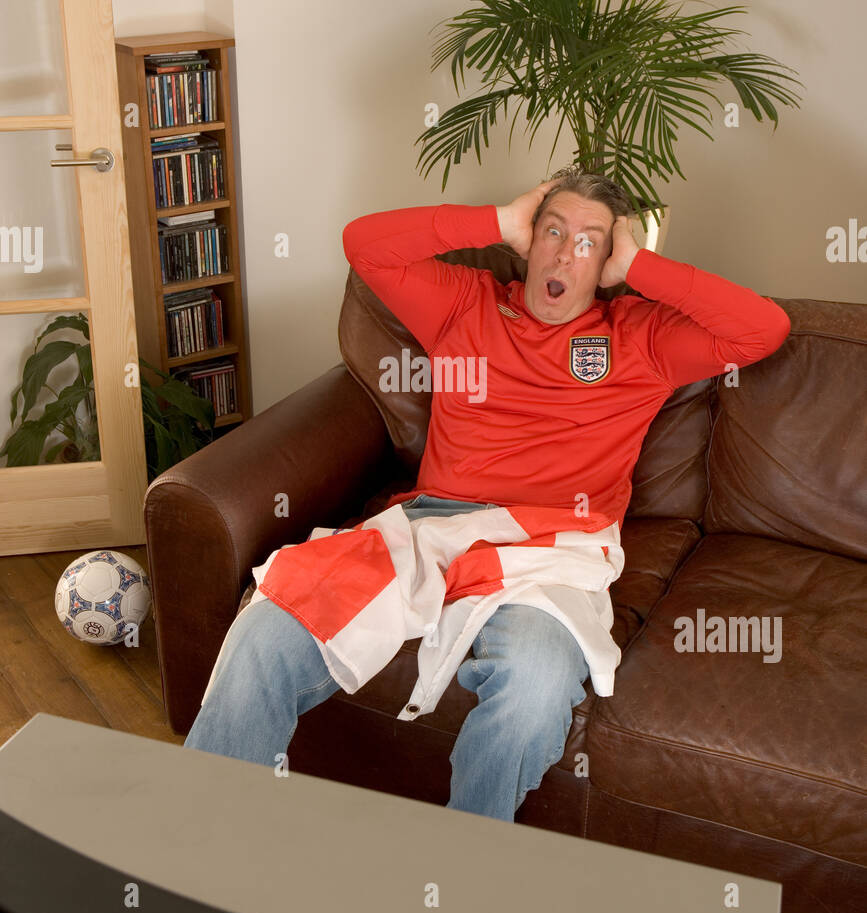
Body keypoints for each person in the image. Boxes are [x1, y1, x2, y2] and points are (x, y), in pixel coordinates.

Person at [184, 167, 791, 822]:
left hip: (550, 550)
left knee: (534, 692)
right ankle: (206, 839)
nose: (563, 252)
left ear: (609, 261)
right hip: (429, 528)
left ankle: (464, 871)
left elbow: (762, 330)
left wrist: (637, 266)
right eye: (551, 231)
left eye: (588, 242)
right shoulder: (466, 303)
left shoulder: (641, 338)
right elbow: (364, 245)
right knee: (267, 632)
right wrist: (495, 223)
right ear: (527, 241)